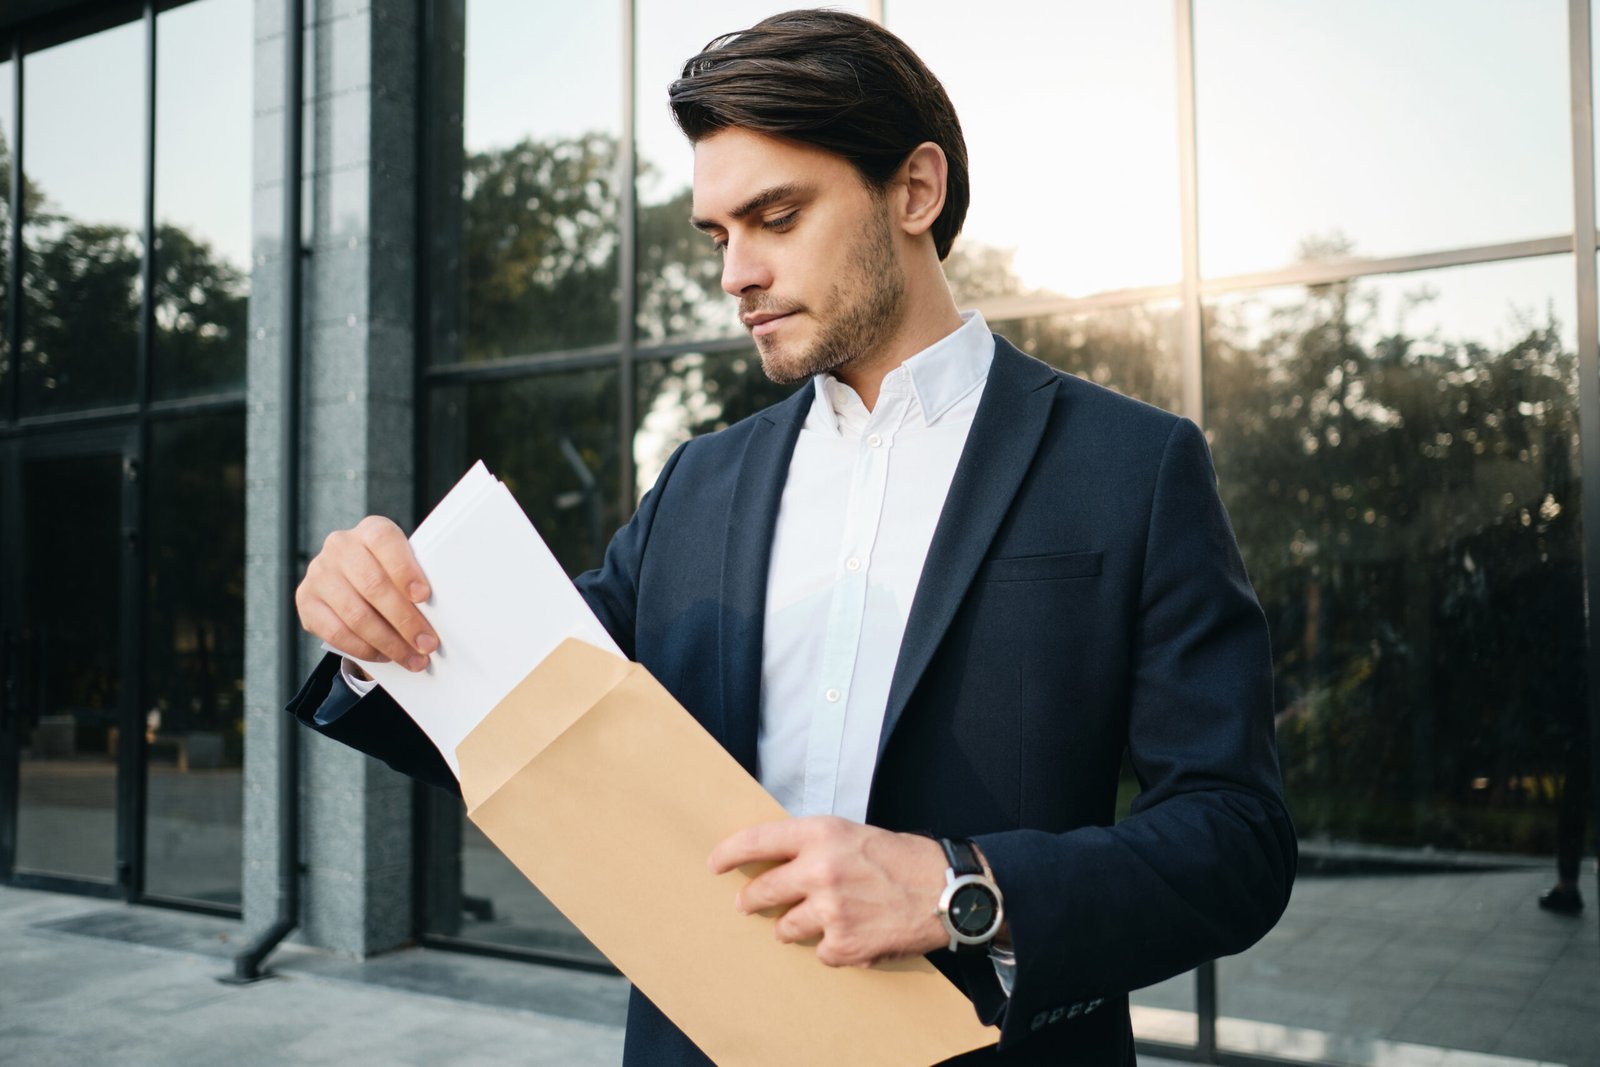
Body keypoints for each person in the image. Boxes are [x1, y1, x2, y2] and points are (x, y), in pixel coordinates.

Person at [287, 10, 1296, 1064]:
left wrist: (960, 888)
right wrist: (379, 619)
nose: (735, 274)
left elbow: (1236, 840)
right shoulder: (697, 482)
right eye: (719, 235)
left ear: (914, 189)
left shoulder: (1131, 466)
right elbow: (529, 704)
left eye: (775, 215)